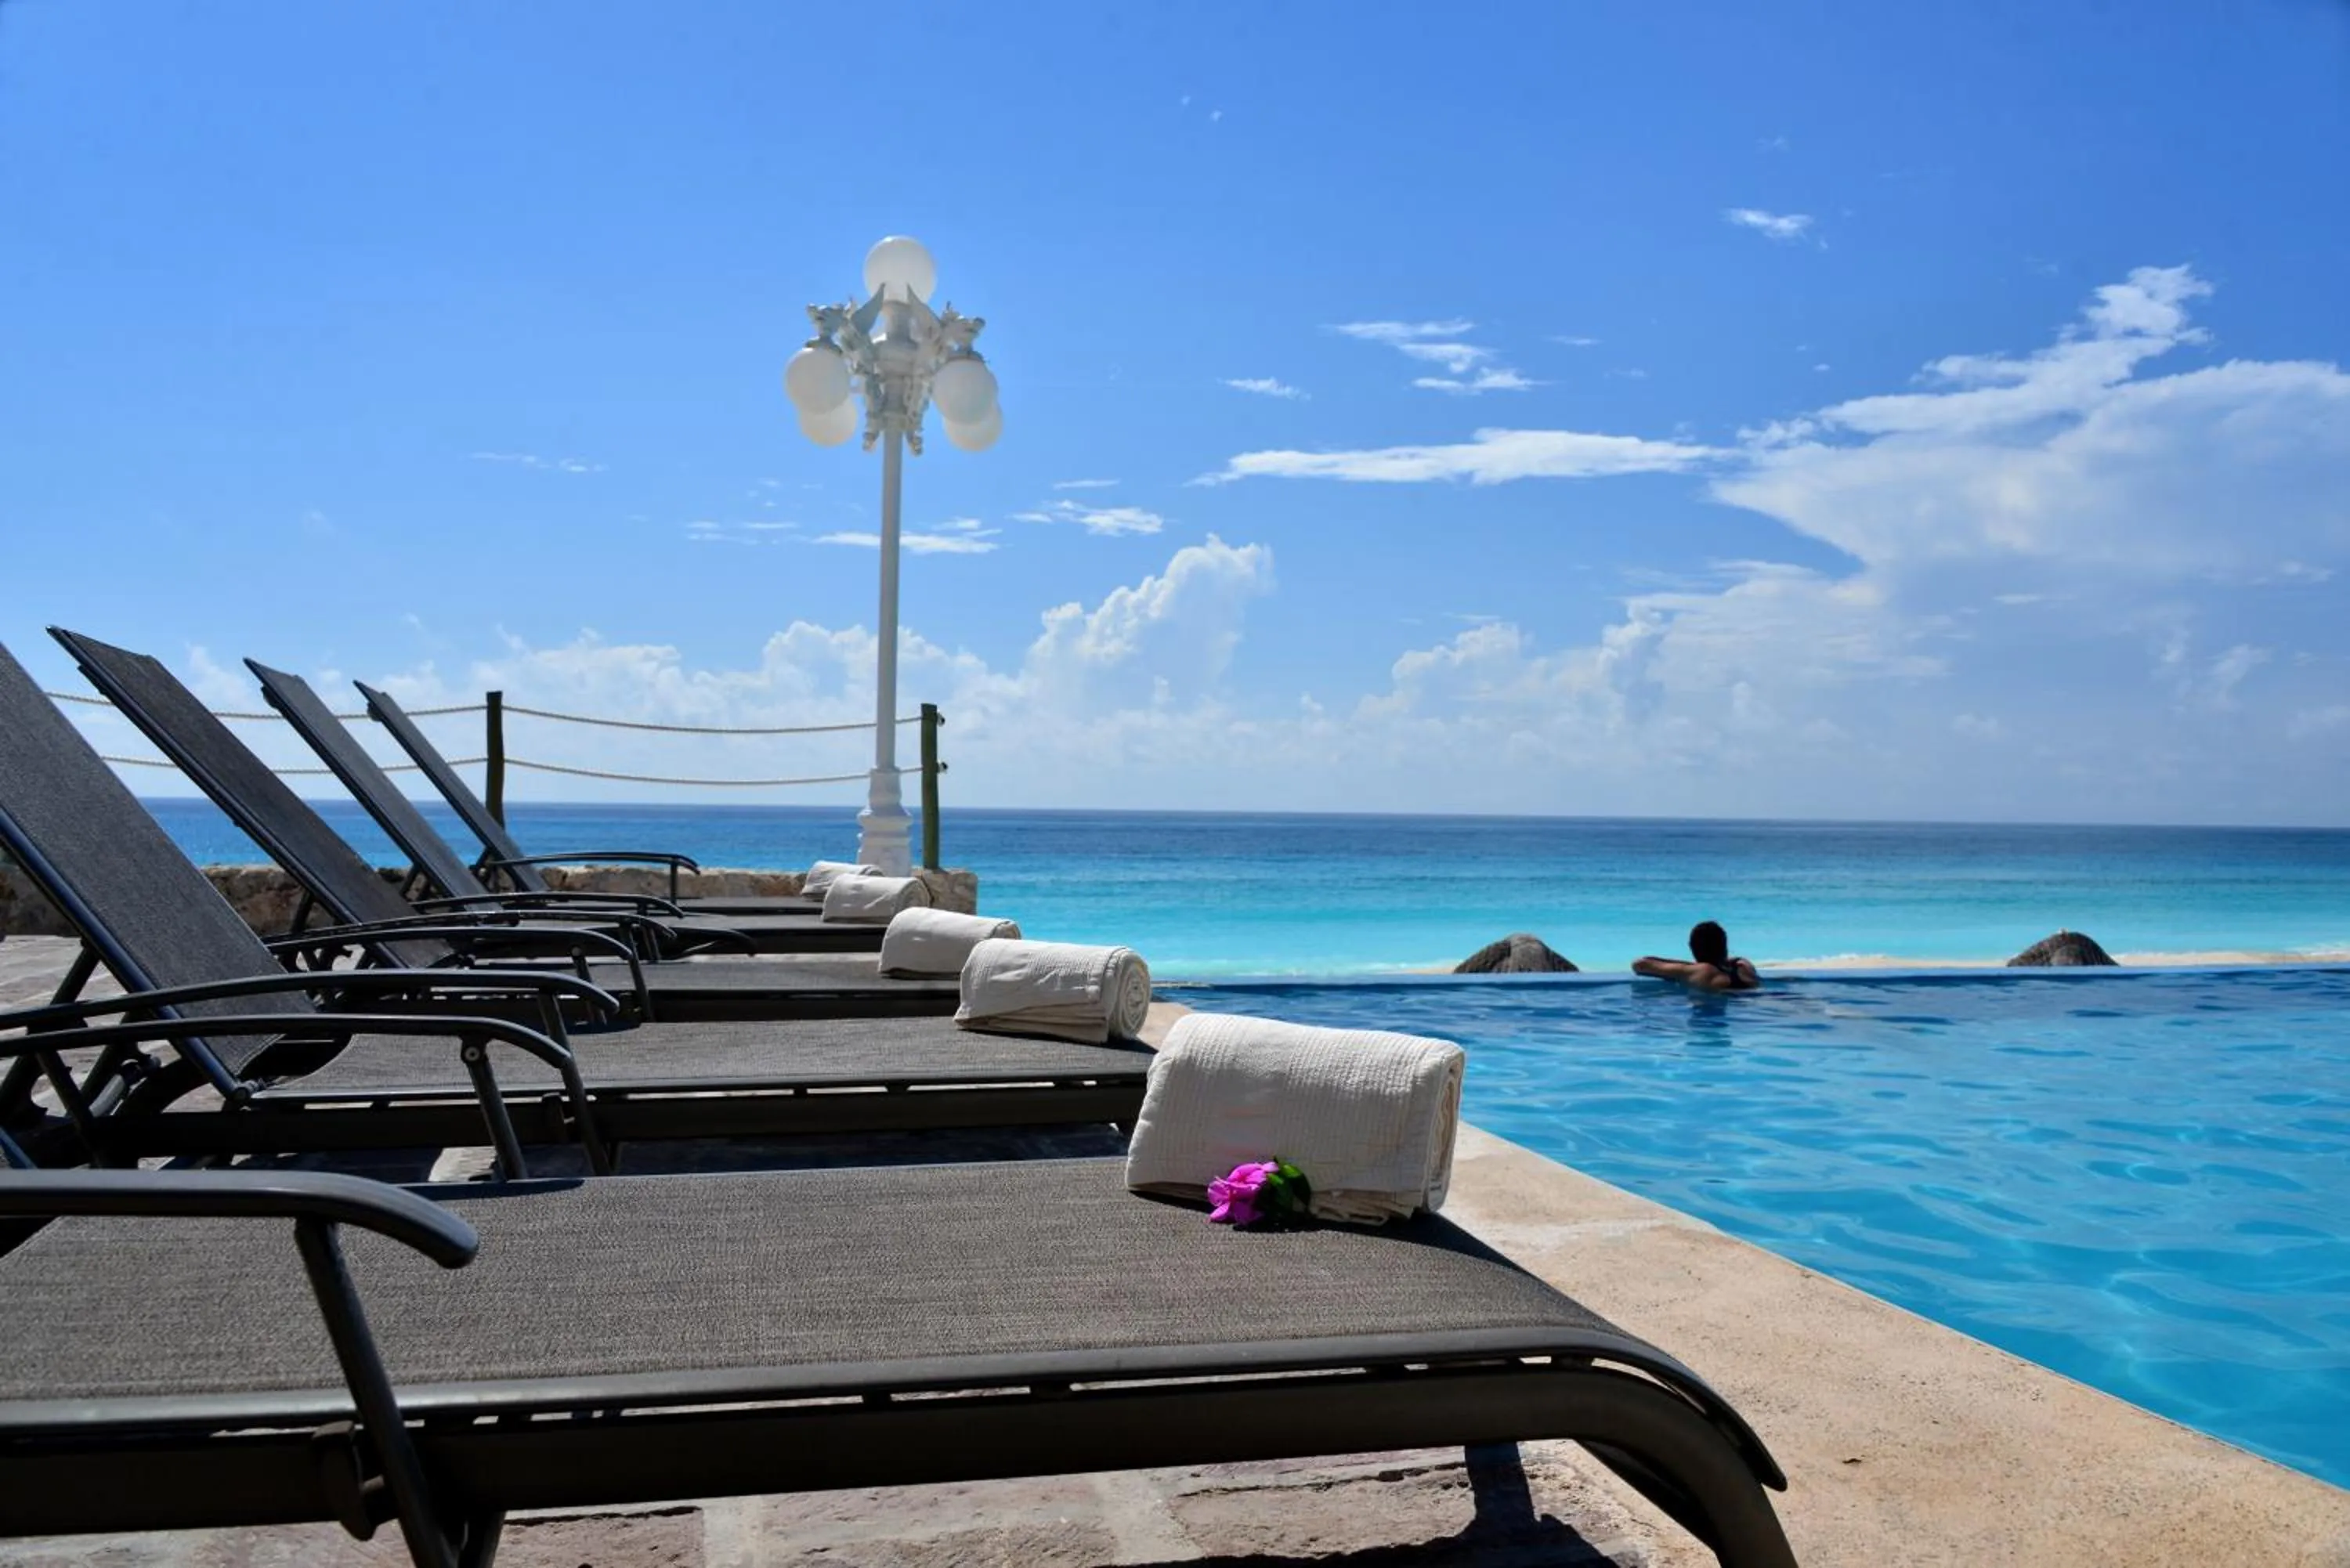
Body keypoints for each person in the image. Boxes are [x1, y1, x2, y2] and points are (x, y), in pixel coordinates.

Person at [1632, 921, 1761, 992]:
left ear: (1692, 947)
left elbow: (1640, 965)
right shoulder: (1743, 965)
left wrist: (1683, 968)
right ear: (1725, 945)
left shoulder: (1699, 971)